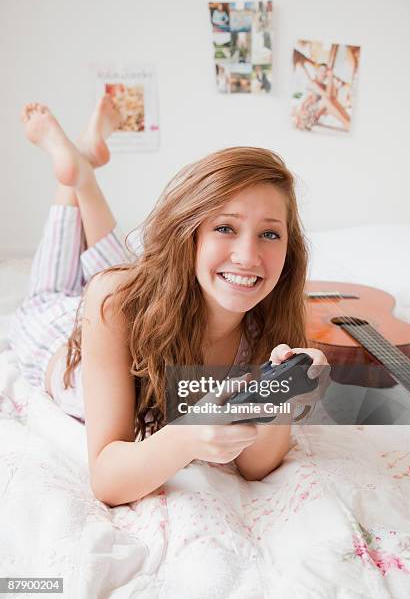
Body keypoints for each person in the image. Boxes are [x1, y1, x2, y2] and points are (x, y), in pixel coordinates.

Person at [8, 100, 329, 507]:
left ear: (289, 248)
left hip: (144, 299)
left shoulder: (279, 312)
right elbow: (107, 481)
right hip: (57, 333)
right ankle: (73, 170)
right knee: (69, 291)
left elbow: (255, 466)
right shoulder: (115, 301)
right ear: (189, 233)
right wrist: (189, 434)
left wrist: (279, 396)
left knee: (124, 277)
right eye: (225, 227)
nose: (249, 257)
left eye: (270, 234)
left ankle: (82, 167)